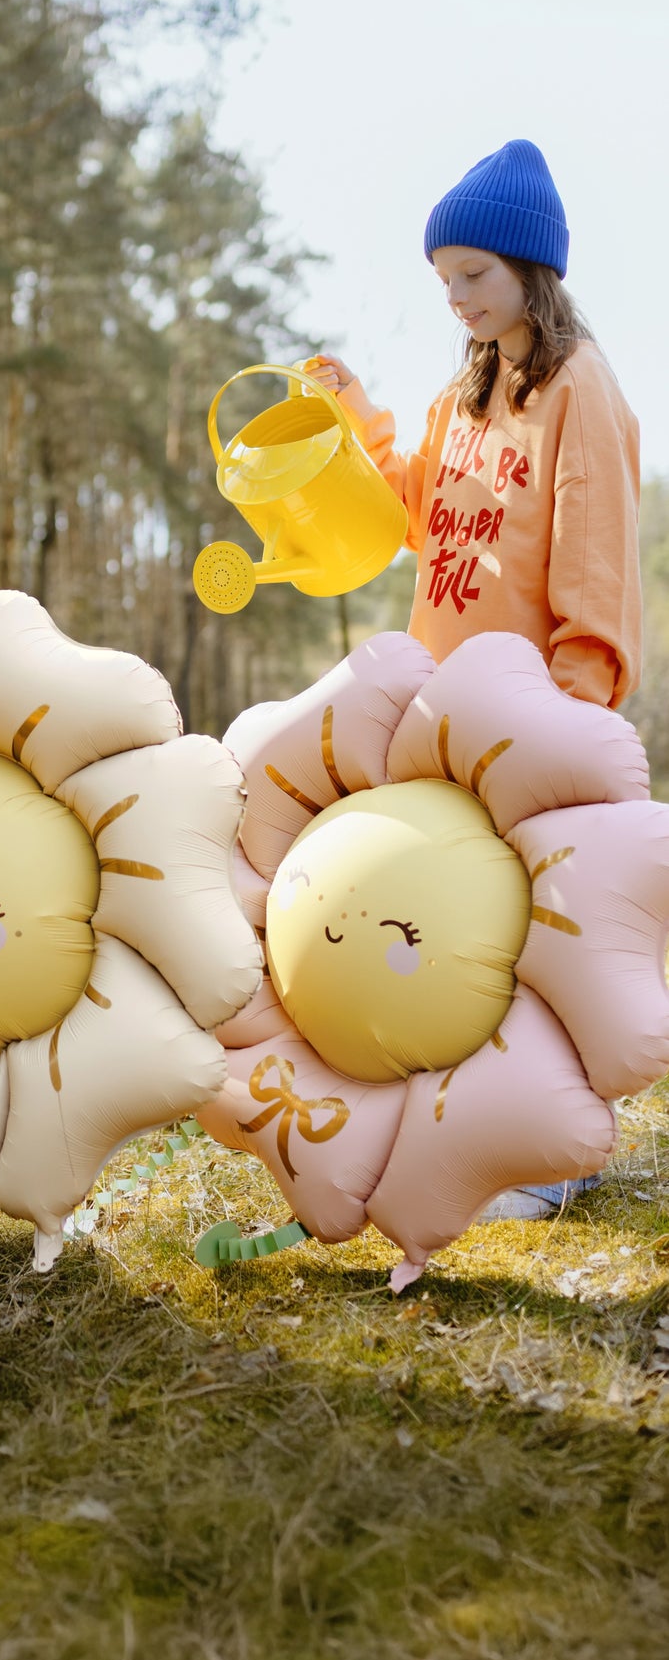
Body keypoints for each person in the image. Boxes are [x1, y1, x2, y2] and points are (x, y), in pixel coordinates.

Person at [310, 137, 642, 1218]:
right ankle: (462, 1133)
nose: (453, 296)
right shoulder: (463, 396)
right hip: (441, 714)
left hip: (534, 716)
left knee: (538, 930)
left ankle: (558, 1155)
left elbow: (593, 558)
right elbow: (426, 514)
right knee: (450, 927)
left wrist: (571, 713)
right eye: (441, 278)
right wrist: (356, 417)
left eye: (472, 275)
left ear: (527, 270)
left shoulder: (577, 388)